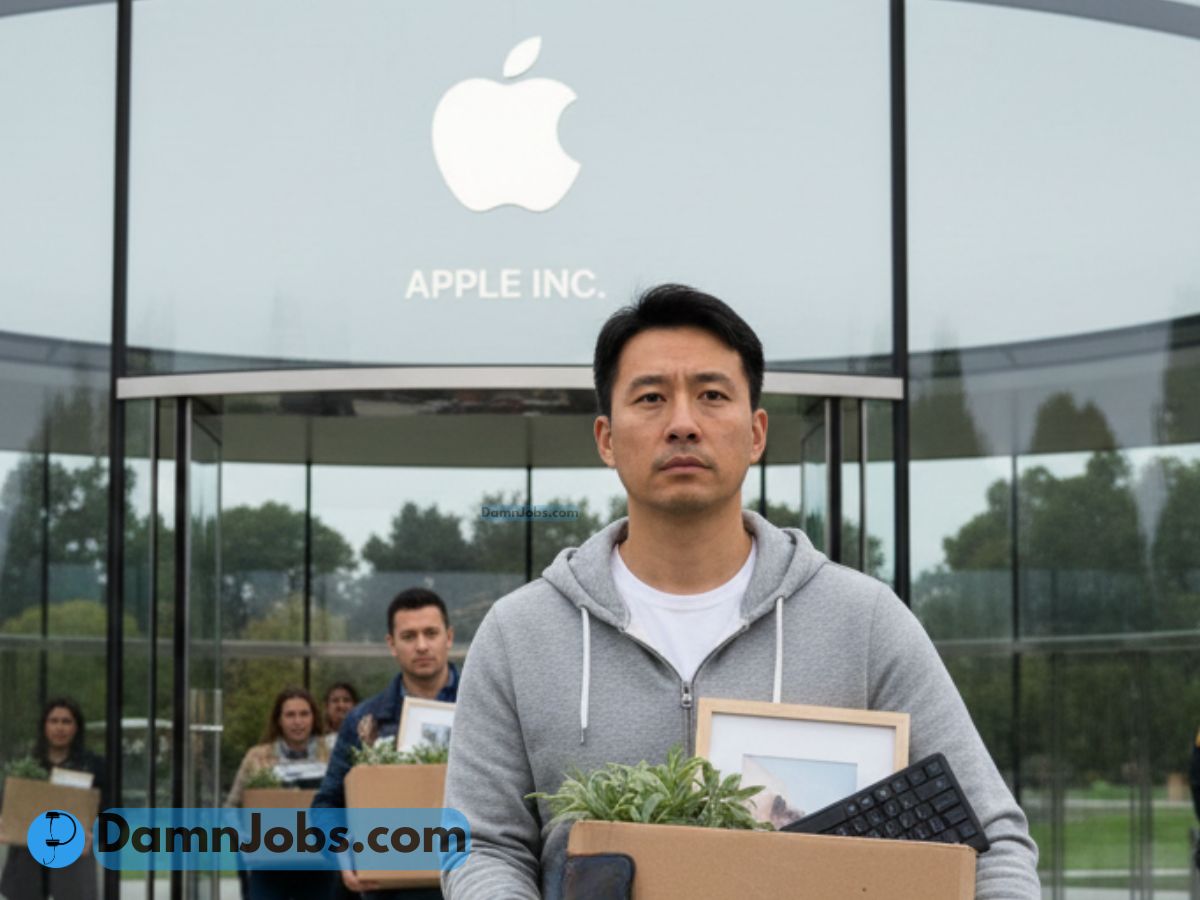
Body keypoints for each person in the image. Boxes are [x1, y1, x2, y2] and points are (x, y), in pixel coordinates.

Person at [442, 284, 1042, 899]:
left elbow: (994, 844)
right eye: (650, 398)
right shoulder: (520, 634)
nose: (682, 423)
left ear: (756, 433)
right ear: (606, 439)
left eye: (711, 396)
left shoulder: (862, 621)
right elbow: (481, 844)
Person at [312, 588, 459, 900]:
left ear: (448, 637)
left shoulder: (486, 709)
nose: (421, 645)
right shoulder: (364, 721)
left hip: (468, 886)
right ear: (391, 644)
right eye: (409, 636)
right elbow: (326, 805)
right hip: (390, 891)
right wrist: (343, 852)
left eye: (430, 633)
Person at [226, 686, 329, 900]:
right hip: (269, 864)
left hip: (320, 863)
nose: (297, 721)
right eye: (290, 715)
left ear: (313, 718)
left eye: (304, 714)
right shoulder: (256, 757)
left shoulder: (331, 754)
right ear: (279, 720)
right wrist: (243, 841)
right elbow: (231, 806)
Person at [0, 697, 106, 900]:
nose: (60, 728)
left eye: (66, 721)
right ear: (44, 726)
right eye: (54, 721)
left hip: (73, 859)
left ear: (76, 727)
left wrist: (96, 833)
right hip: (27, 858)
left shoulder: (93, 765)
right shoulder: (26, 763)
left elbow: (107, 807)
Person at [323, 683, 360, 753]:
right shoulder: (317, 742)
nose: (341, 705)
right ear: (326, 707)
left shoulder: (366, 740)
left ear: (356, 706)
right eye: (335, 700)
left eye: (346, 700)